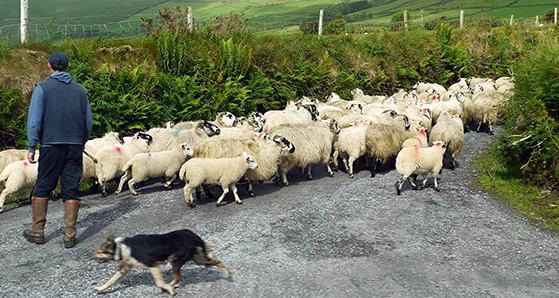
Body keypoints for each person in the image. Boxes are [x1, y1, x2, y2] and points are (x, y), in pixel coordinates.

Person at [24, 51, 92, 248]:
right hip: (74, 146)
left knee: (44, 185)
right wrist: (82, 141)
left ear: (49, 66)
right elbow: (88, 121)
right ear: (68, 67)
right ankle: (69, 234)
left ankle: (38, 231)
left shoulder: (42, 89)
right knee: (71, 187)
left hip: (51, 145)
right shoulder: (81, 91)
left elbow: (35, 121)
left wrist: (31, 145)